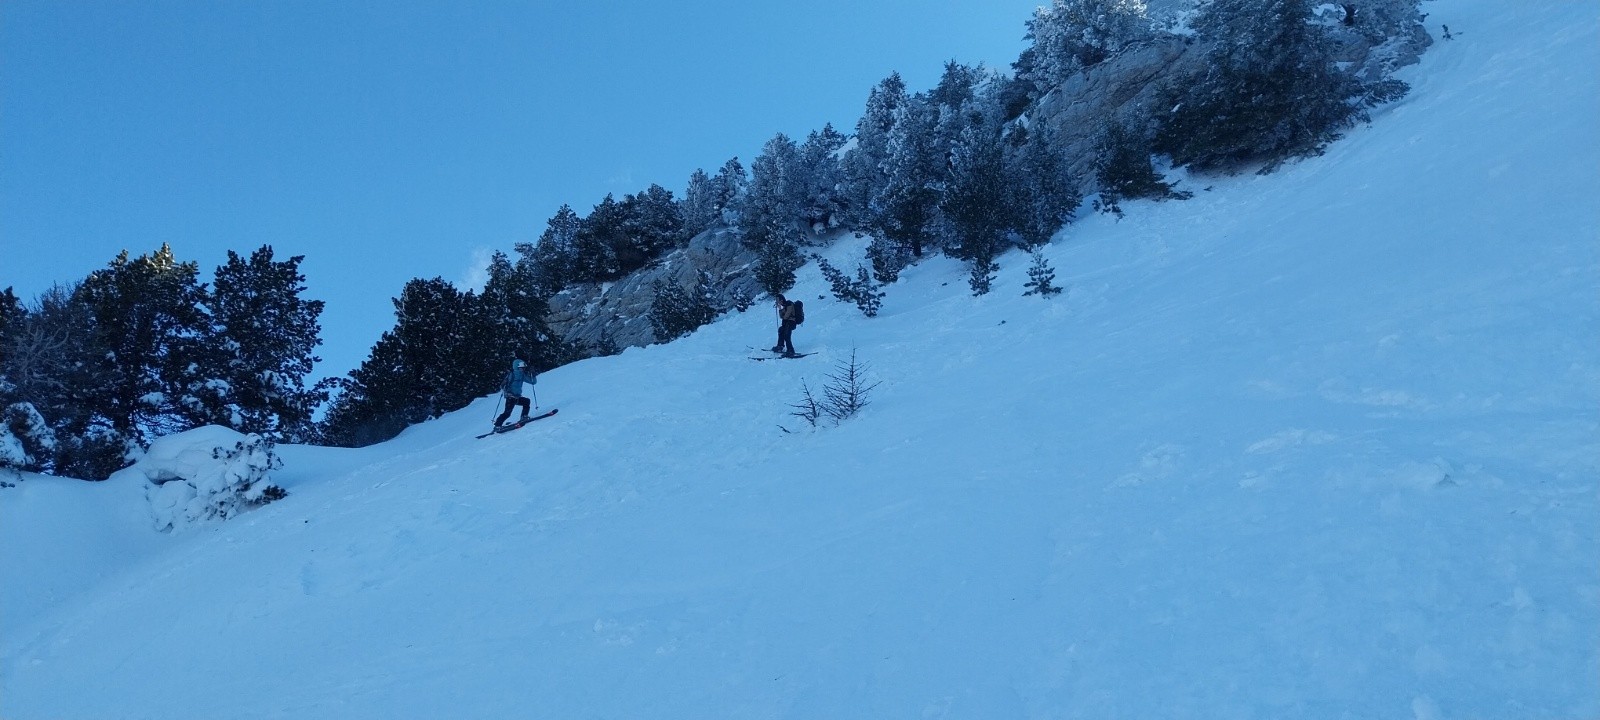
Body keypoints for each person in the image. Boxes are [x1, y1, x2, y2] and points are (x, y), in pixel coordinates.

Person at [494, 359, 536, 428]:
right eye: (522, 367)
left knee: (526, 401)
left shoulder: (522, 375)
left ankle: (524, 417)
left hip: (517, 396)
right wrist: (505, 387)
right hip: (510, 397)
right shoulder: (512, 374)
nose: (523, 369)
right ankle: (497, 425)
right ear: (517, 367)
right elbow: (502, 385)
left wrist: (533, 374)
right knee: (507, 413)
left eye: (524, 367)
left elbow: (532, 382)